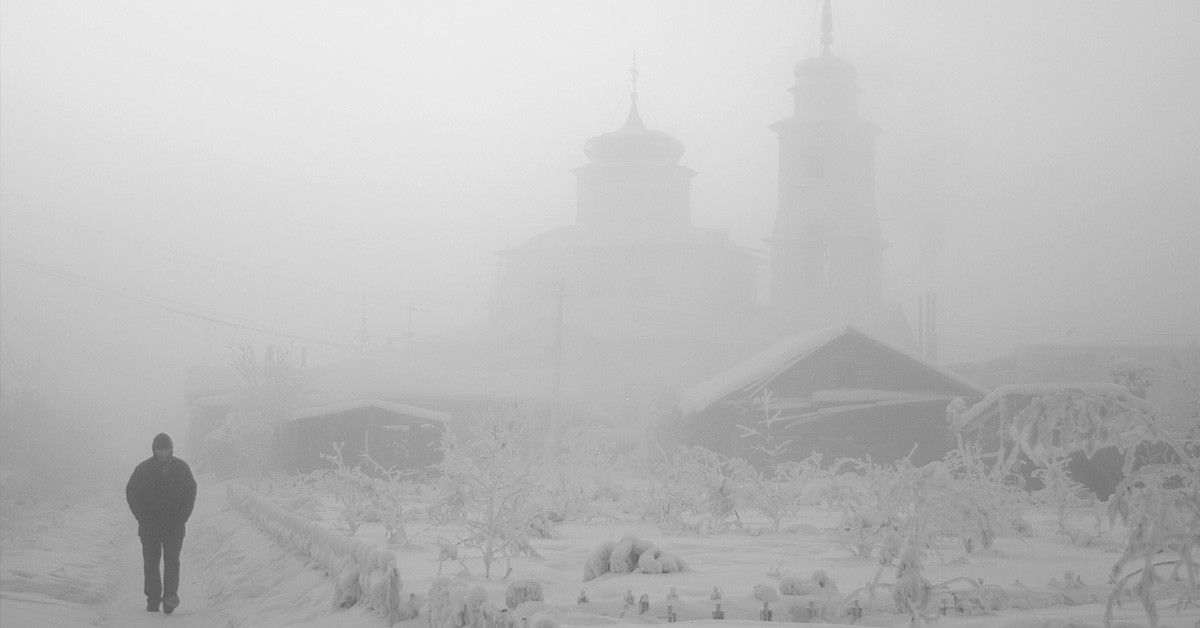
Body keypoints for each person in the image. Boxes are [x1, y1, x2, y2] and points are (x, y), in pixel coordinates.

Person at [126, 432, 197, 614]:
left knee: (172, 561)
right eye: (160, 448)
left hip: (175, 525)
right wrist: (142, 516)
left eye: (166, 448)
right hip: (149, 526)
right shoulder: (143, 469)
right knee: (151, 563)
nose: (163, 452)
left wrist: (183, 515)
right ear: (154, 449)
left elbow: (190, 491)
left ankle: (170, 598)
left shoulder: (182, 468)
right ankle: (153, 599)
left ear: (171, 448)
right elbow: (132, 492)